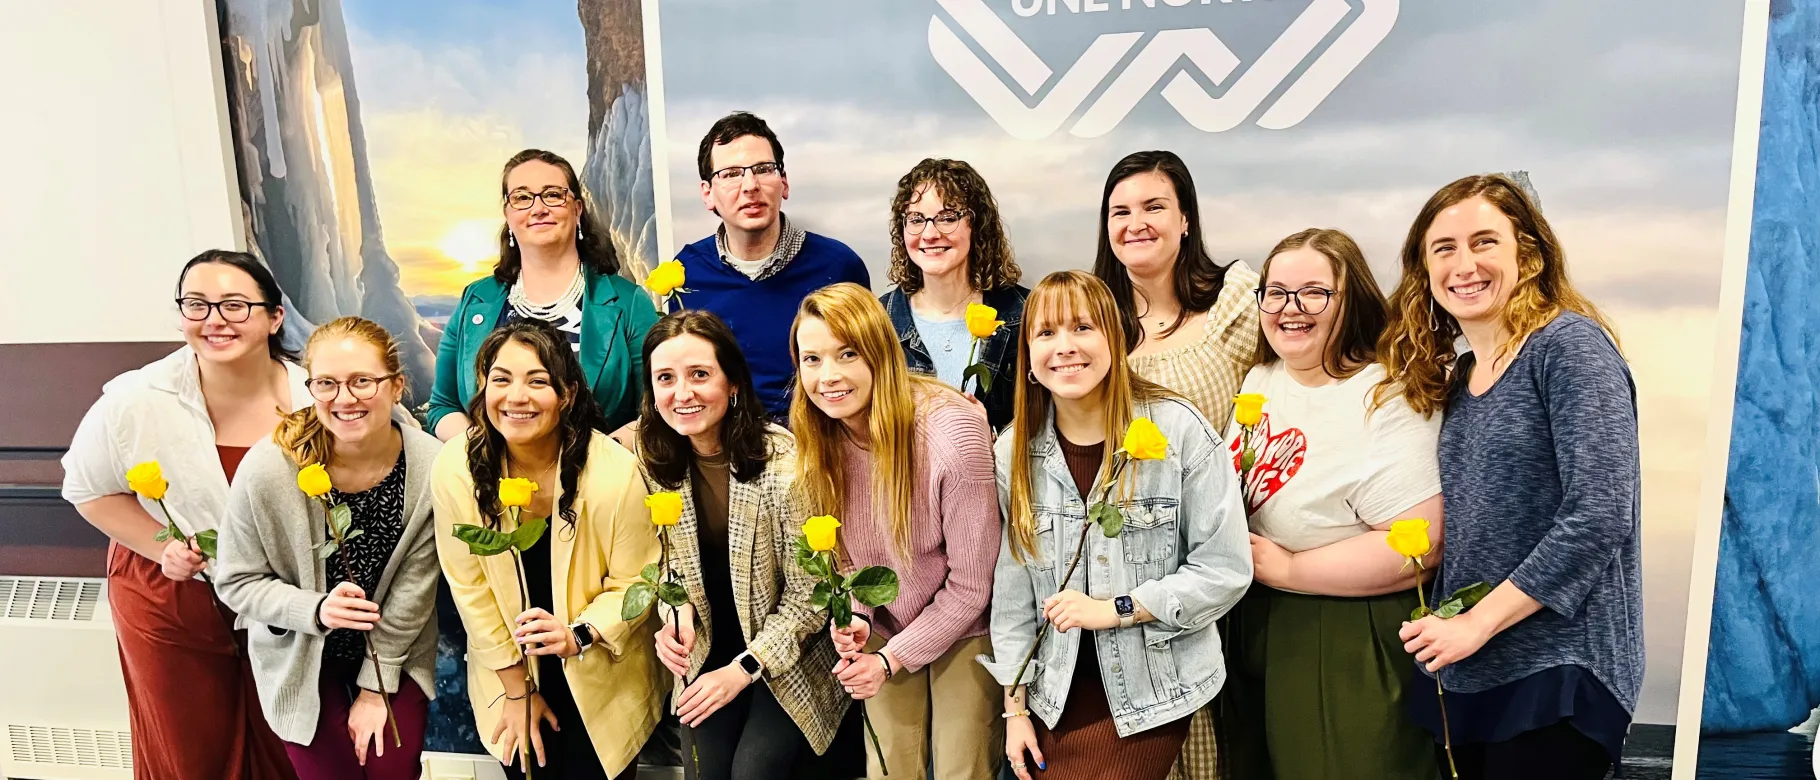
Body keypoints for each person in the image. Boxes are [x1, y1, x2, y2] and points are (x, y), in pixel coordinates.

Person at [1379, 174, 1642, 780]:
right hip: (1474, 675)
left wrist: (1477, 622)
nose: (1464, 264)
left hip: (1558, 673)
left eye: (1484, 242)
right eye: (1443, 248)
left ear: (1527, 253)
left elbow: (1600, 513)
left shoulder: (1568, 347)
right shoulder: (1460, 379)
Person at [984, 270, 1251, 780]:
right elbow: (1013, 595)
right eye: (1046, 333)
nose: (1065, 347)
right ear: (1029, 357)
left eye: (1083, 327)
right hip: (1053, 692)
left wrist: (1117, 609)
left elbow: (1224, 570)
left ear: (1115, 337)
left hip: (1153, 688)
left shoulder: (1178, 430)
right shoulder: (1012, 452)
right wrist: (1014, 709)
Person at [61, 249, 304, 780]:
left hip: (283, 602)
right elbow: (87, 489)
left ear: (274, 317)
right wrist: (162, 547)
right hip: (169, 596)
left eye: (235, 306)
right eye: (197, 305)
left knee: (289, 742)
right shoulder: (134, 398)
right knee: (189, 750)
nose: (215, 320)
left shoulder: (316, 396)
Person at [1215, 230, 1442, 780]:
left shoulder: (1386, 394)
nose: (1291, 309)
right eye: (1276, 292)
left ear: (1352, 299)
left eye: (1314, 293)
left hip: (1344, 628)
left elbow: (1420, 542)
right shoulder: (1262, 378)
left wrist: (1292, 567)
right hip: (1253, 617)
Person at [432, 320, 665, 780]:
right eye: (500, 379)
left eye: (537, 381)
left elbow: (636, 581)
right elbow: (470, 590)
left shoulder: (614, 474)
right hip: (508, 670)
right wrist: (517, 691)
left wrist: (578, 634)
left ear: (568, 394)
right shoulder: (456, 469)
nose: (516, 397)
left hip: (602, 668)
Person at [791, 283, 1003, 779]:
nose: (829, 377)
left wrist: (891, 661)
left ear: (881, 354)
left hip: (966, 623)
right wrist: (859, 616)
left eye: (847, 354)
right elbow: (843, 560)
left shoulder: (951, 434)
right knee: (890, 768)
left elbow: (973, 586)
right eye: (812, 359)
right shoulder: (817, 437)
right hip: (885, 622)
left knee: (960, 766)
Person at [215, 317, 442, 779]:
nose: (345, 398)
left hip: (391, 652)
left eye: (363, 381)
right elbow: (236, 582)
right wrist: (316, 609)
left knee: (391, 773)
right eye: (327, 383)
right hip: (301, 655)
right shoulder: (269, 470)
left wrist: (375, 691)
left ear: (397, 386)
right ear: (310, 387)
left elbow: (416, 586)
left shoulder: (431, 467)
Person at [633, 310, 856, 779]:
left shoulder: (785, 465)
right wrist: (674, 612)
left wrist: (743, 669)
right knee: (706, 771)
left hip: (787, 656)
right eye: (666, 379)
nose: (683, 393)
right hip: (710, 648)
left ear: (733, 383)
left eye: (699, 375)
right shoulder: (652, 462)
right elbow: (663, 563)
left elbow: (809, 599)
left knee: (754, 770)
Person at [1093, 150, 1259, 778]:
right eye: (1121, 211)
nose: (1137, 222)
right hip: (1125, 567)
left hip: (1224, 560)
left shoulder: (1235, 303)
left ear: (1186, 218)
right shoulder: (1095, 320)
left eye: (1154, 207)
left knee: (1221, 735)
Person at [427, 149, 659, 439]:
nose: (538, 208)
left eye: (552, 194)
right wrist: (484, 455)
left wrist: (594, 464)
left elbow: (656, 409)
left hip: (602, 478)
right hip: (492, 480)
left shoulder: (629, 303)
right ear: (508, 215)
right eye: (522, 197)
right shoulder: (475, 299)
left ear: (577, 209)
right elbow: (442, 406)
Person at [671, 112, 871, 420]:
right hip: (727, 451)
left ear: (784, 183)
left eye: (764, 169)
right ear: (707, 194)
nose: (750, 185)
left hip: (823, 447)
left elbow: (873, 372)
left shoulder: (839, 267)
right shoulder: (686, 274)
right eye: (731, 174)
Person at [879, 158, 1028, 431]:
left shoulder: (1024, 313)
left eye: (948, 218)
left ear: (977, 224)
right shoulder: (879, 320)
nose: (929, 233)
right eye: (916, 219)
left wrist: (1000, 437)